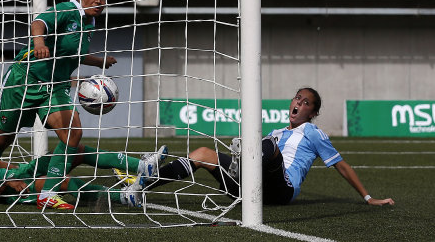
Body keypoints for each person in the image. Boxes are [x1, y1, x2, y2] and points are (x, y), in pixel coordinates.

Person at [0, 0, 154, 209]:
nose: (99, 1)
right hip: (24, 80)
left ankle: (48, 192)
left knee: (72, 133)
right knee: (2, 139)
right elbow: (39, 22)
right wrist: (39, 43)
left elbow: (70, 53)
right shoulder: (67, 10)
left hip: (54, 86)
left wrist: (98, 61)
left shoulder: (89, 22)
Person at [131, 88, 395, 206]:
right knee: (203, 154)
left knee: (269, 145)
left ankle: (241, 164)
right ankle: (140, 186)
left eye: (306, 103)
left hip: (282, 189)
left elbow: (341, 165)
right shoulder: (277, 131)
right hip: (252, 186)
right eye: (297, 98)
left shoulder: (312, 132)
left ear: (313, 112)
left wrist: (368, 198)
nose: (298, 103)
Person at [0, 143, 166, 208]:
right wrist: (4, 181)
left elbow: (5, 164)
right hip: (16, 190)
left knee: (71, 149)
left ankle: (142, 166)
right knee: (61, 182)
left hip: (17, 173)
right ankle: (122, 197)